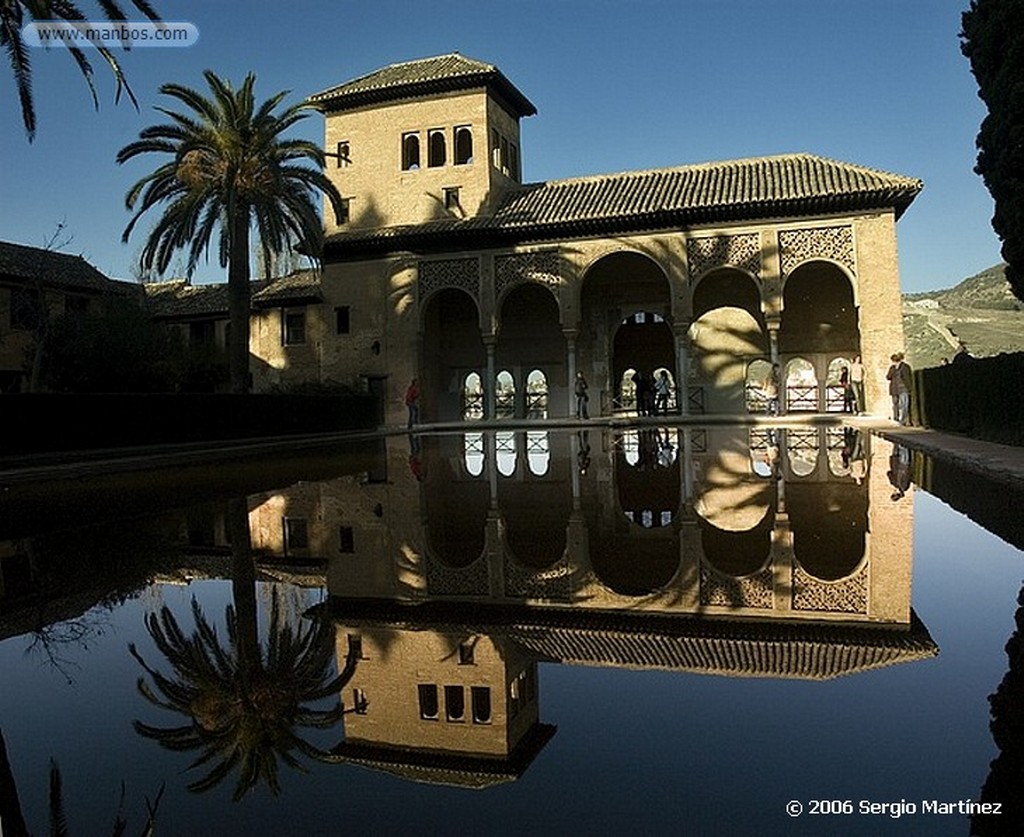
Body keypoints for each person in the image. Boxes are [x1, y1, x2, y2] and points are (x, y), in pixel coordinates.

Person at [886, 352, 912, 425]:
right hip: (895, 389)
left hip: (903, 388)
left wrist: (909, 388)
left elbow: (907, 378)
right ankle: (896, 418)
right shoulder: (892, 368)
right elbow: (888, 377)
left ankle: (903, 420)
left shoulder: (905, 367)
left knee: (903, 405)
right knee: (896, 404)